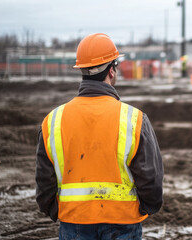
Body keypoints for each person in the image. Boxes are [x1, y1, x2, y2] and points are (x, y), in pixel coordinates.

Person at [35, 33, 163, 240]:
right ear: (112, 70)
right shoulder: (134, 119)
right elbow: (151, 179)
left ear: (82, 71)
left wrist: (57, 211)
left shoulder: (53, 121)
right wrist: (146, 208)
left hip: (74, 223)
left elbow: (44, 181)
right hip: (123, 223)